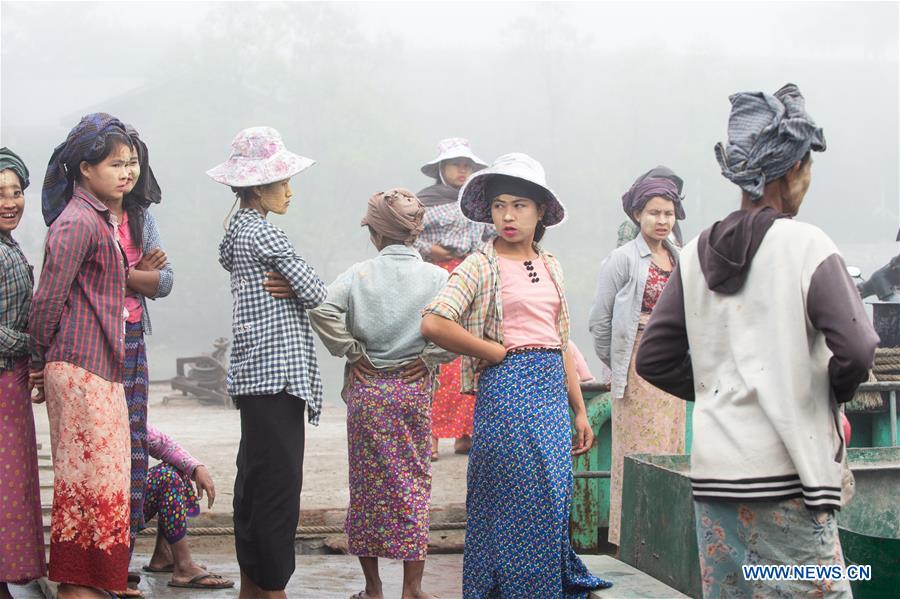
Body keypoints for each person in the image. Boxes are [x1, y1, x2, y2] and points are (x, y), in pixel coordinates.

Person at [636, 83, 878, 598]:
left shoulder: (693, 254)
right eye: (807, 167)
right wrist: (823, 392)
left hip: (717, 481)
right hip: (789, 478)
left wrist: (721, 390)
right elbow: (858, 348)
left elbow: (653, 358)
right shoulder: (806, 244)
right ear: (792, 170)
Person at [421, 153, 612, 598]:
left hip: (551, 391)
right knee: (519, 495)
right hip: (507, 390)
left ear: (540, 210)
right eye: (499, 206)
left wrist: (579, 410)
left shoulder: (551, 264)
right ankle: (515, 589)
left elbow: (561, 340)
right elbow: (434, 322)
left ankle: (538, 585)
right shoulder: (479, 264)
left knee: (554, 492)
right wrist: (492, 350)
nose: (508, 216)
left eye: (519, 205)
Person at [310, 188, 454, 599]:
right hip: (412, 391)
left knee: (367, 489)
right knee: (413, 485)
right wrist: (431, 357)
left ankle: (373, 588)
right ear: (416, 234)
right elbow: (462, 324)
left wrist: (352, 350)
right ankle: (412, 588)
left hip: (367, 393)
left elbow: (321, 309)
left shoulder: (359, 274)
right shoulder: (438, 277)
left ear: (375, 234)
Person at [209, 126, 327, 599]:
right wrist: (295, 288)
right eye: (283, 182)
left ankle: (252, 587)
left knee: (254, 484)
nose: (289, 192)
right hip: (279, 375)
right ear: (258, 188)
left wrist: (289, 286)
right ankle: (274, 588)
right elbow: (316, 292)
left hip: (253, 373)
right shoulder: (265, 234)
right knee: (279, 488)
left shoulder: (237, 232)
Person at [30, 113, 133, 598]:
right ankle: (78, 587)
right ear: (85, 169)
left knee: (103, 483)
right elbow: (47, 300)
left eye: (129, 163)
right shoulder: (76, 222)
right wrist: (38, 360)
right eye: (115, 164)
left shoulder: (98, 218)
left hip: (97, 366)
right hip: (78, 367)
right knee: (89, 485)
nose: (126, 173)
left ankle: (91, 583)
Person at [587, 166, 688, 547]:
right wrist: (619, 364)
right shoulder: (622, 259)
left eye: (668, 213)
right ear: (636, 215)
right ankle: (631, 539)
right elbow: (600, 321)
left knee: (672, 451)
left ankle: (665, 538)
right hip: (637, 370)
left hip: (672, 369)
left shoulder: (679, 257)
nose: (662, 221)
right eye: (654, 213)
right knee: (637, 454)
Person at [415, 138, 491, 459]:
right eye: (456, 164)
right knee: (436, 353)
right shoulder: (422, 203)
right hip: (434, 276)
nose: (463, 170)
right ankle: (430, 436)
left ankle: (465, 433)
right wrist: (428, 249)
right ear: (441, 169)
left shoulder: (478, 203)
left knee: (468, 351)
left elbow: (491, 237)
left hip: (470, 276)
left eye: (467, 165)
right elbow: (403, 235)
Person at [0, 148, 46, 598]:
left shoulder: (8, 244)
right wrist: (33, 347)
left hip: (11, 384)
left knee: (11, 483)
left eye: (16, 192)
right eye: (0, 193)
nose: (10, 202)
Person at [139, 424, 233, 590]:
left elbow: (160, 443)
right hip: (103, 516)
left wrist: (197, 468)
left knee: (176, 468)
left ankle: (164, 555)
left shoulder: (129, 414)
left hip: (124, 502)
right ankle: (184, 568)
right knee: (167, 478)